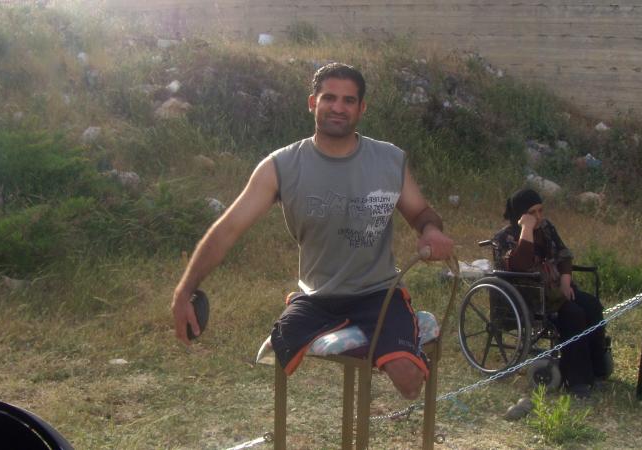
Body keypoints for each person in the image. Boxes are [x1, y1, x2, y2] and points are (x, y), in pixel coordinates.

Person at [171, 63, 454, 400]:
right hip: (316, 296)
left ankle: (408, 333)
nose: (338, 107)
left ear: (361, 108)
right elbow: (228, 229)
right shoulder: (281, 166)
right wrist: (185, 289)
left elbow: (421, 212)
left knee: (408, 382)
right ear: (312, 103)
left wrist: (431, 230)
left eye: (349, 100)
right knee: (280, 351)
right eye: (329, 98)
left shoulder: (388, 159)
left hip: (379, 292)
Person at [493, 188, 610, 398]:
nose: (539, 217)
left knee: (591, 305)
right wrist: (526, 230)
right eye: (533, 212)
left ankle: (597, 369)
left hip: (555, 289)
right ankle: (577, 381)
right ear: (522, 214)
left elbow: (563, 253)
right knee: (573, 314)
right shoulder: (506, 238)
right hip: (533, 297)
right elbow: (520, 265)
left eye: (540, 211)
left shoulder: (547, 228)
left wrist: (566, 279)